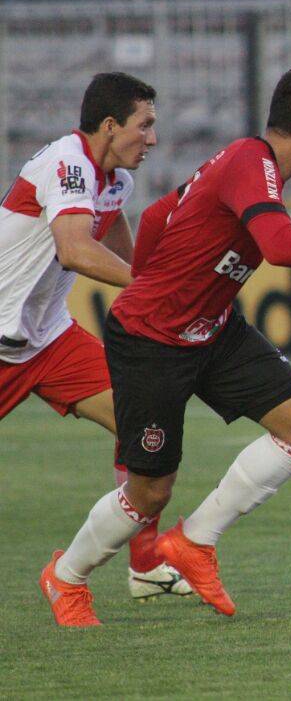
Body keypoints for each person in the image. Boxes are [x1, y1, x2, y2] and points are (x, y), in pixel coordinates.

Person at [41, 68, 291, 626]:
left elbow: (154, 215)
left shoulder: (242, 163)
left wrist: (152, 276)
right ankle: (66, 578)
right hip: (153, 340)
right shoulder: (251, 163)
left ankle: (195, 542)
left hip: (213, 329)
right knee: (150, 493)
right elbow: (281, 245)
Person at [1, 72, 193, 602]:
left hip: (49, 341)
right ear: (110, 125)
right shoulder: (67, 163)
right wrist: (156, 285)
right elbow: (76, 251)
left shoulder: (116, 183)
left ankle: (146, 564)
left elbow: (129, 259)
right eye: (145, 125)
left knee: (141, 414)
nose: (152, 139)